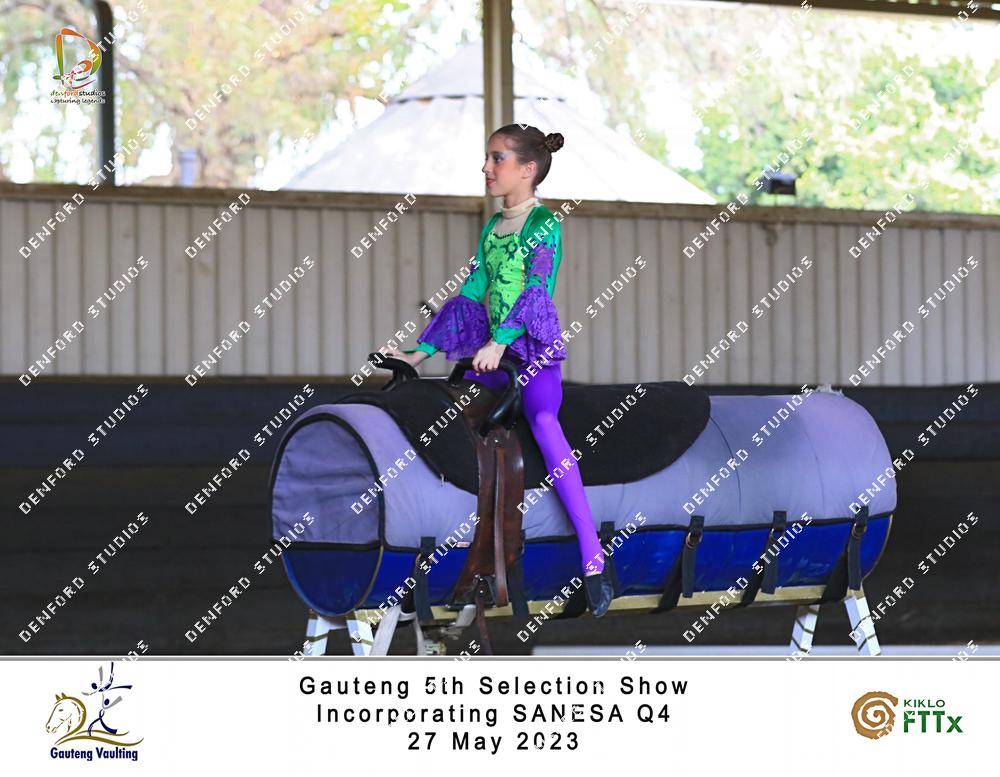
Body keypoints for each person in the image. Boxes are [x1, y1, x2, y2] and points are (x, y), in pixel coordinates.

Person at [385, 124, 614, 617]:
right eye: (488, 159)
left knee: (545, 424)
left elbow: (537, 289)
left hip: (526, 355)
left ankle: (594, 558)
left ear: (527, 169)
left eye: (497, 159)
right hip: (490, 359)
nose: (486, 168)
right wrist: (417, 354)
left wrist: (499, 341)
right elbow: (472, 290)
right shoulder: (493, 226)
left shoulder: (544, 224)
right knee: (453, 423)